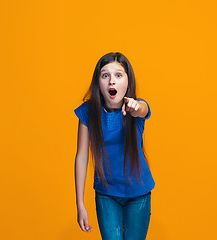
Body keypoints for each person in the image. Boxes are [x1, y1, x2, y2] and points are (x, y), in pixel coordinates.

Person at [74, 52, 155, 240]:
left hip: (139, 194)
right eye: (105, 75)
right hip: (106, 193)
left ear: (127, 81)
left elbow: (143, 109)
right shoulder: (87, 112)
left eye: (118, 75)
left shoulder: (135, 107)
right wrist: (80, 204)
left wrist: (136, 107)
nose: (112, 81)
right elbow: (81, 156)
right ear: (98, 83)